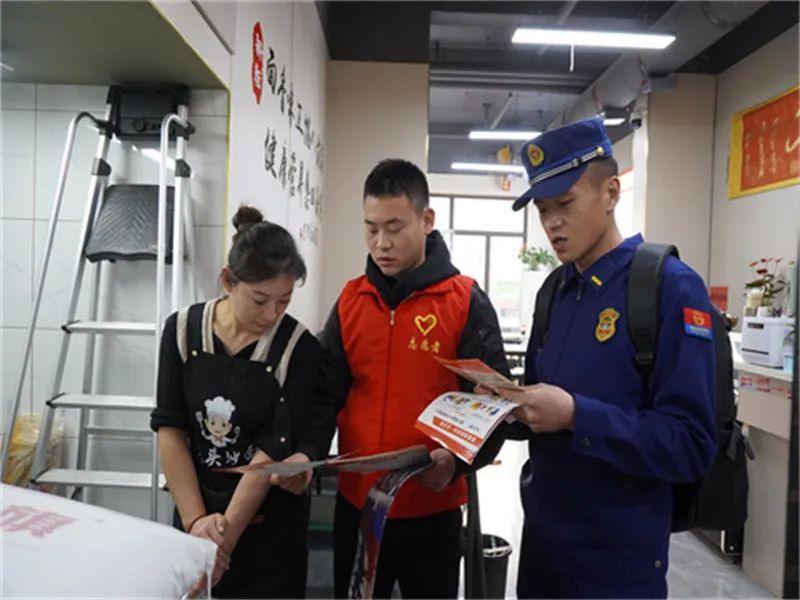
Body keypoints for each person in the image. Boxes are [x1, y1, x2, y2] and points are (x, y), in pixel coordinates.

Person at [496, 118, 717, 598]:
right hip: (543, 553)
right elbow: (540, 410)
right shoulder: (554, 291)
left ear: (611, 192)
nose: (552, 223)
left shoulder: (670, 288)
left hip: (616, 565)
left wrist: (578, 415)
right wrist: (495, 408)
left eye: (565, 204)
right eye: (542, 209)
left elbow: (691, 444)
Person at [320, 159, 509, 598]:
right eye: (371, 228)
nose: (381, 243)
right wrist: (305, 452)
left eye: (394, 227)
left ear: (426, 221)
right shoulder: (351, 301)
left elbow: (495, 406)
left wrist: (457, 464)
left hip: (433, 511)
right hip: (360, 507)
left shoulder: (464, 301)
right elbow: (324, 395)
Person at [150, 206, 336, 598]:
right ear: (228, 281)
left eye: (284, 301)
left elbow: (269, 453)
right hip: (196, 516)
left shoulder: (298, 348)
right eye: (259, 299)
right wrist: (196, 525)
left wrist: (220, 547)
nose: (271, 315)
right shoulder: (182, 331)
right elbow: (171, 429)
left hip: (267, 536)